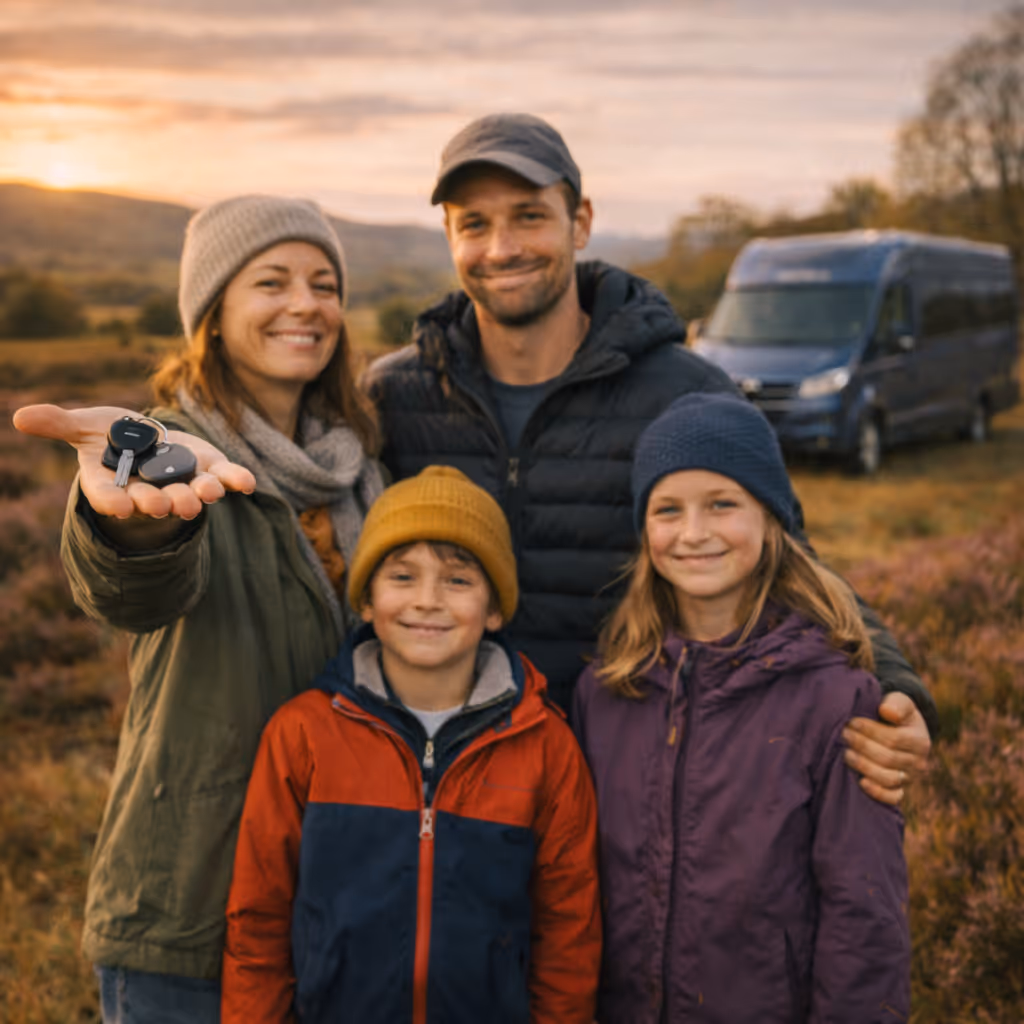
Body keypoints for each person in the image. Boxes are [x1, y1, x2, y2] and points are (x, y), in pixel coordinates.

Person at [364, 112, 937, 803]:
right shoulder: (393, 395)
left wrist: (898, 688)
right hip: (443, 786)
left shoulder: (685, 392)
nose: (502, 246)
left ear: (580, 223)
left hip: (628, 783)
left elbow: (790, 561)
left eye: (528, 216)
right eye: (474, 224)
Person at [13, 195, 384, 1023]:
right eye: (272, 281)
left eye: (325, 284)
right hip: (189, 905)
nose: (306, 304)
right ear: (212, 313)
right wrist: (128, 527)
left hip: (335, 898)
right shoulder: (172, 455)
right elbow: (135, 591)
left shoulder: (363, 469)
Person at [572, 392, 911, 1023]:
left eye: (722, 504)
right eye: (667, 510)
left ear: (771, 518)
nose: (694, 533)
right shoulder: (608, 692)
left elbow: (864, 920)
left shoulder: (835, 699)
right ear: (644, 530)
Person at [222, 465, 601, 1024]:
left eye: (458, 580)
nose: (427, 600)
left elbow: (568, 931)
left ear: (494, 609)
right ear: (367, 601)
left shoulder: (545, 745)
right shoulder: (303, 733)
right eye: (402, 576)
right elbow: (258, 918)